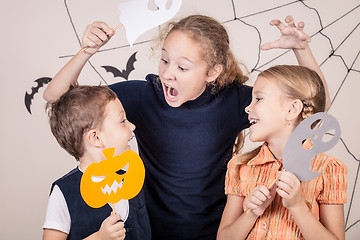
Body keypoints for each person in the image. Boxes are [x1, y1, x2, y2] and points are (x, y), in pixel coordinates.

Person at [43, 14, 330, 240]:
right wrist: (86, 51)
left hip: (217, 232)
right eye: (164, 60)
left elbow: (315, 107)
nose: (168, 73)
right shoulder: (143, 97)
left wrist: (302, 50)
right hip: (149, 231)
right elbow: (57, 98)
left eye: (182, 67)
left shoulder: (232, 100)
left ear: (212, 72)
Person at [217, 65, 347, 240]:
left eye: (258, 99)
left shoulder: (328, 169)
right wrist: (252, 212)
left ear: (292, 109)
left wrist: (297, 206)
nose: (248, 108)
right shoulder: (240, 166)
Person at [42, 85, 151, 240]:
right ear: (96, 138)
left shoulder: (132, 178)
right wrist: (99, 237)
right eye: (123, 121)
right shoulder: (64, 192)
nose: (132, 126)